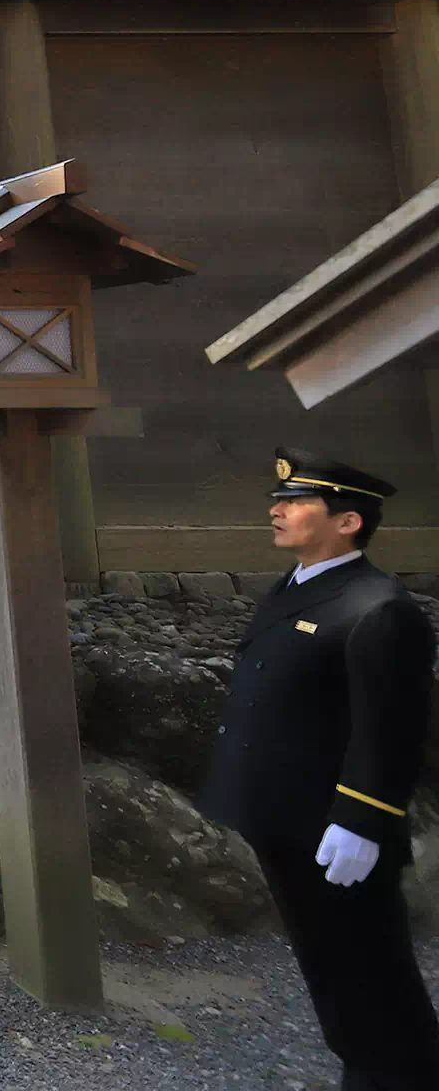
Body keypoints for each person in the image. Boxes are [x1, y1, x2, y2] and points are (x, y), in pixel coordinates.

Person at [199, 448, 439, 1090]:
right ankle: (370, 1068)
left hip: (333, 826)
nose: (277, 511)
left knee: (369, 968)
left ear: (348, 521)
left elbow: (390, 725)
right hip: (283, 816)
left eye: (297, 502)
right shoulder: (296, 589)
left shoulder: (376, 605)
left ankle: (400, 1076)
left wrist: (363, 818)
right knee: (328, 965)